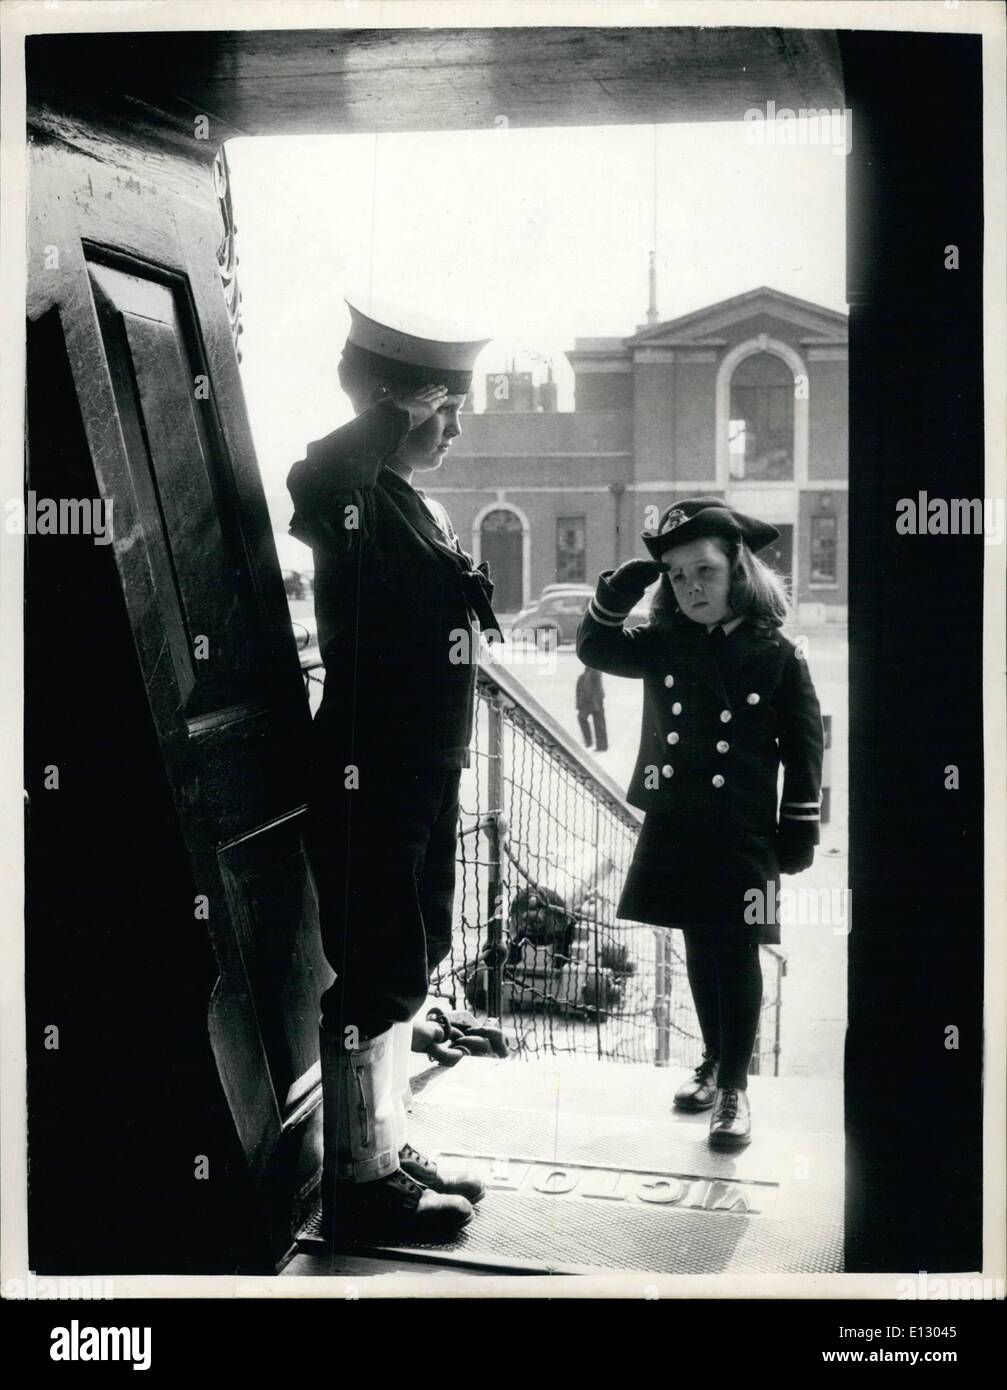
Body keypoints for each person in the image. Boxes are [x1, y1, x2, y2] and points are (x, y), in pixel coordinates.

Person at [287, 300, 507, 1245]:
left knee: (410, 960)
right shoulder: (346, 486)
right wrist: (392, 411)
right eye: (442, 410)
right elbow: (323, 467)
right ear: (394, 401)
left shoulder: (407, 502)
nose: (453, 431)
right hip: (365, 775)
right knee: (375, 972)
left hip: (419, 771)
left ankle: (382, 1146)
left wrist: (410, 415)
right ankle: (358, 1185)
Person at [577, 497, 823, 1149]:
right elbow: (596, 646)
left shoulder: (777, 653)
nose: (690, 586)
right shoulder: (665, 643)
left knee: (735, 950)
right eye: (677, 575)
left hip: (743, 829)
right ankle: (715, 1065)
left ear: (737, 568)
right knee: (697, 942)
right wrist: (618, 593)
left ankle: (735, 1091)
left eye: (703, 571)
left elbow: (804, 748)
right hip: (679, 820)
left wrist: (798, 824)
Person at [575, 664, 608, 751]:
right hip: (595, 699)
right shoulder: (591, 672)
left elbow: (588, 687)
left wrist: (581, 703)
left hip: (592, 699)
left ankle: (591, 742)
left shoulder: (592, 673)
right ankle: (600, 745)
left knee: (584, 718)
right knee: (599, 722)